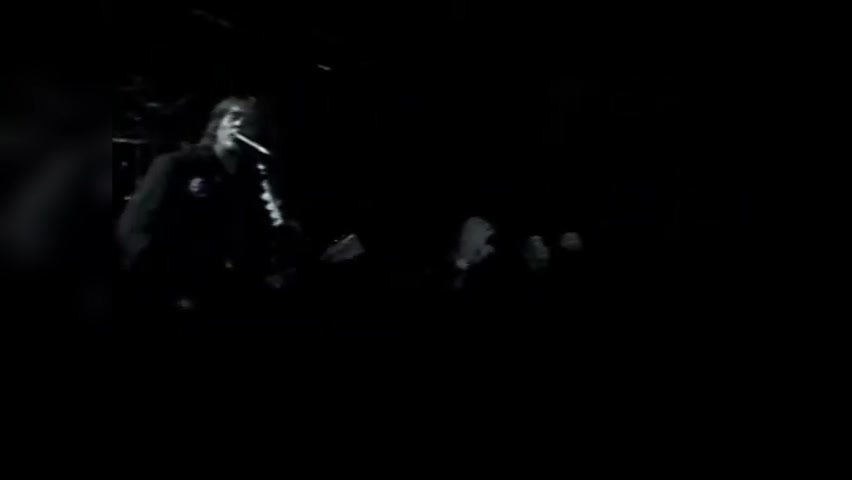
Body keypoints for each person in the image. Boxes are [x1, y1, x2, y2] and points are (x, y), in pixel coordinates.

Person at [117, 96, 309, 316]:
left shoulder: (251, 182)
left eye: (249, 122)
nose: (239, 124)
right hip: (177, 297)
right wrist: (164, 289)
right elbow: (132, 230)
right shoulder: (177, 165)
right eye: (234, 117)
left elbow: (256, 241)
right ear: (217, 125)